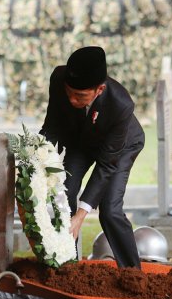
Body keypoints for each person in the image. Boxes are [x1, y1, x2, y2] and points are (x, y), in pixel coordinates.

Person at [40, 46, 144, 269]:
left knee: (110, 209)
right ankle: (68, 263)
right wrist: (38, 154)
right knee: (65, 188)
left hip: (121, 147)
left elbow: (107, 165)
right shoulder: (58, 78)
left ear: (99, 90)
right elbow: (53, 124)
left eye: (80, 96)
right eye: (69, 93)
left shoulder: (121, 104)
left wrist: (80, 216)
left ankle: (132, 272)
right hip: (83, 141)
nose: (72, 100)